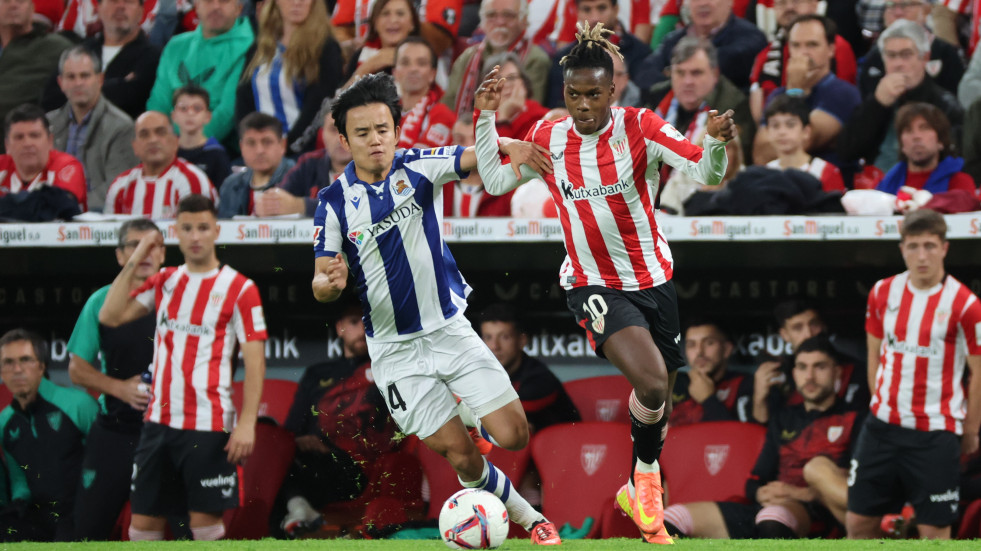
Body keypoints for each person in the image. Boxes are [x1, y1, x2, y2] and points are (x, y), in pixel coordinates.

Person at [473, 21, 736, 544]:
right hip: (591, 281)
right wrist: (485, 120)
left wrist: (716, 143)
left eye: (594, 94)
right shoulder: (548, 135)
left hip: (653, 278)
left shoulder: (641, 126)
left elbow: (706, 174)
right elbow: (497, 180)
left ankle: (636, 486)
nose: (584, 105)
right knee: (654, 380)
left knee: (656, 397)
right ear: (563, 92)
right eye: (574, 94)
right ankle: (646, 481)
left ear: (613, 90)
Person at [311, 72, 562, 545]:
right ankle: (532, 521)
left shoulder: (419, 166)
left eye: (382, 129)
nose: (375, 141)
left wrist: (510, 143)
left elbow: (474, 159)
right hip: (395, 354)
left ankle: (467, 411)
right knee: (464, 458)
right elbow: (323, 279)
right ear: (344, 140)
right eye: (362, 133)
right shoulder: (333, 203)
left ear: (396, 130)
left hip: (449, 331)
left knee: (513, 436)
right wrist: (330, 282)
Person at [99, 194, 268, 542]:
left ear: (216, 230)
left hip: (207, 424)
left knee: (205, 527)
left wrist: (247, 422)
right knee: (142, 528)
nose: (194, 236)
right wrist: (138, 254)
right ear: (175, 231)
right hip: (158, 424)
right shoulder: (166, 280)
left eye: (203, 228)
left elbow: (255, 360)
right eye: (186, 228)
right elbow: (110, 315)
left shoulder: (240, 288)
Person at [847, 209, 981, 540]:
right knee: (859, 523)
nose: (922, 256)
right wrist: (880, 401)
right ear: (902, 248)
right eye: (913, 246)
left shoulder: (966, 305)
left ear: (945, 248)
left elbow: (979, 373)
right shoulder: (882, 292)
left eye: (930, 246)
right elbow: (874, 354)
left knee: (934, 531)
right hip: (882, 427)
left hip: (935, 433)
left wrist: (971, 430)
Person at [662, 336, 862, 539]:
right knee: (673, 517)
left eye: (819, 367)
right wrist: (760, 493)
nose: (809, 376)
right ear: (794, 373)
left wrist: (804, 494)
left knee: (773, 517)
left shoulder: (856, 418)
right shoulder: (784, 417)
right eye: (802, 367)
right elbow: (754, 480)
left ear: (837, 372)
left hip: (817, 514)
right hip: (769, 508)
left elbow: (859, 485)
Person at [273, 298, 410, 538]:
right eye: (355, 321)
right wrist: (301, 442)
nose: (363, 329)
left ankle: (297, 509)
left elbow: (401, 430)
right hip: (310, 463)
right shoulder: (317, 374)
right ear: (340, 328)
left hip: (358, 471)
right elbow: (291, 429)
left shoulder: (390, 370)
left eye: (369, 321)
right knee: (269, 441)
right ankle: (293, 514)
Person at [66, 219, 164, 540]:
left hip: (169, 431)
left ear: (163, 254)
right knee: (88, 528)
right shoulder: (101, 301)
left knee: (181, 529)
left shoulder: (181, 294)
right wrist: (119, 388)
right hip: (116, 430)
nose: (145, 252)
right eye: (135, 245)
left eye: (152, 245)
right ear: (120, 256)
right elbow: (77, 369)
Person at [0, 328, 98, 542]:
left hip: (80, 512)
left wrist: (88, 505)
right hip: (37, 517)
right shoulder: (4, 422)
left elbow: (105, 465)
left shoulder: (79, 405)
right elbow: (19, 481)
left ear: (41, 365)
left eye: (25, 360)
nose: (17, 369)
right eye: (8, 362)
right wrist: (17, 504)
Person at [839, 19, 963, 174]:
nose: (898, 63)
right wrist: (877, 104)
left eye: (906, 55)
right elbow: (846, 151)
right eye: (891, 56)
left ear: (924, 58)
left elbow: (952, 158)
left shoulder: (944, 104)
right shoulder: (876, 95)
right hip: (875, 184)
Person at [752, 15, 861, 168]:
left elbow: (802, 142)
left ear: (830, 49)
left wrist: (795, 90)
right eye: (796, 45)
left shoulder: (843, 93)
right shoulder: (777, 95)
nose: (804, 53)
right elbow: (761, 154)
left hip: (824, 183)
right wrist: (792, 91)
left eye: (812, 45)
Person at [236, 0, 344, 153]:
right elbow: (243, 99)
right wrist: (251, 142)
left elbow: (318, 109)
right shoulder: (260, 47)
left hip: (300, 153)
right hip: (259, 151)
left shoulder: (326, 49)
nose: (297, 2)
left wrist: (285, 149)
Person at [146, 0, 255, 145]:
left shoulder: (252, 48)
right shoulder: (175, 45)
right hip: (167, 145)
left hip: (222, 151)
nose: (216, 6)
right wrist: (160, 140)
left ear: (239, 8)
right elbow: (158, 103)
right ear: (196, 7)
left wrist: (186, 144)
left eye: (225, 1)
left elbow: (227, 113)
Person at [47, 46, 138, 212]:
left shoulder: (121, 127)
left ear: (100, 79)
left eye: (85, 76)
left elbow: (116, 187)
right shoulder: (48, 124)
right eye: (71, 77)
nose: (78, 83)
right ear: (61, 83)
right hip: (50, 215)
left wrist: (71, 208)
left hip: (97, 219)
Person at [753, 299, 869, 424]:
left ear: (823, 326)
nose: (808, 334)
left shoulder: (854, 368)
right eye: (798, 328)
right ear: (784, 335)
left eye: (814, 324)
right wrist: (759, 399)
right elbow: (764, 429)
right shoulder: (779, 371)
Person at [647, 37, 755, 170]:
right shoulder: (656, 98)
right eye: (680, 73)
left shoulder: (732, 106)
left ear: (715, 74)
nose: (687, 81)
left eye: (696, 73)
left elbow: (730, 163)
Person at [42, 0, 161, 120]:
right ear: (98, 8)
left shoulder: (153, 57)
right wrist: (119, 84)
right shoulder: (79, 51)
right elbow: (51, 99)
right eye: (113, 1)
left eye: (128, 1)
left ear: (141, 10)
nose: (120, 6)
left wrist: (75, 90)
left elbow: (134, 99)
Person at [747, 0, 857, 123]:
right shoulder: (764, 55)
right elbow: (759, 116)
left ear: (814, 4)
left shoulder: (837, 46)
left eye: (796, 1)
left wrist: (795, 90)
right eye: (782, 3)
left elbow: (844, 101)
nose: (789, 7)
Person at [477, 304, 581, 432]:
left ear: (522, 340)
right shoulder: (483, 375)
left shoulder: (539, 378)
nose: (494, 346)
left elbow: (507, 418)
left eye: (504, 337)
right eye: (488, 338)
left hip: (563, 448)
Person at [443, 0, 552, 118]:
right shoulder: (467, 57)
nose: (500, 22)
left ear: (524, 20)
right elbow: (448, 106)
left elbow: (529, 113)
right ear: (482, 22)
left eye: (508, 15)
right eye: (491, 15)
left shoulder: (535, 59)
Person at [633, 0, 767, 92]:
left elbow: (730, 64)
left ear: (730, 2)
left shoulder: (751, 37)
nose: (703, 3)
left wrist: (672, 74)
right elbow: (645, 73)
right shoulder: (673, 39)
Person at [104, 111, 217, 217]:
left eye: (160, 132)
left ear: (175, 142)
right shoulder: (120, 186)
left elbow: (197, 235)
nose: (152, 140)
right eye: (144, 134)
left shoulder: (192, 180)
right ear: (135, 147)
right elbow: (109, 234)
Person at [545, 0, 651, 109]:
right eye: (587, 10)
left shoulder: (640, 53)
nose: (595, 18)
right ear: (577, 13)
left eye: (601, 8)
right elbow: (554, 106)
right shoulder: (563, 57)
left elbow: (644, 103)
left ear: (615, 10)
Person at [873, 102, 977, 213]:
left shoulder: (959, 181)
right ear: (902, 144)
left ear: (941, 141)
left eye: (924, 128)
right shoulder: (884, 185)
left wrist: (927, 203)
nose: (916, 136)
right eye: (908, 130)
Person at [0, 0, 72, 150]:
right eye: (6, 0)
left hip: (25, 144)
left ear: (32, 8)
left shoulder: (55, 48)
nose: (13, 4)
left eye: (20, 0)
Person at [259, 104, 351, 217]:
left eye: (347, 129)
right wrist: (267, 204)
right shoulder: (308, 163)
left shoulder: (374, 165)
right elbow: (278, 197)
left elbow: (359, 209)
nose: (340, 138)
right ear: (322, 134)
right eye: (333, 130)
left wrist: (300, 206)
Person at [858, 0, 963, 98]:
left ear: (925, 11)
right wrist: (879, 103)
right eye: (891, 5)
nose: (898, 12)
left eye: (906, 5)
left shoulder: (946, 53)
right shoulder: (874, 56)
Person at [0, 103, 88, 212]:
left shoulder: (67, 166)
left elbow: (57, 207)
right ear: (7, 145)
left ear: (50, 141)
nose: (27, 143)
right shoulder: (2, 166)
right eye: (19, 137)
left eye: (34, 135)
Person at [670, 317, 755, 426]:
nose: (699, 352)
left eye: (709, 343)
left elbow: (741, 438)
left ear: (727, 349)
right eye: (691, 345)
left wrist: (708, 400)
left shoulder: (745, 384)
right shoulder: (671, 384)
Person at [218, 112, 296, 217]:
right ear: (241, 147)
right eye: (251, 143)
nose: (259, 150)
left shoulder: (301, 180)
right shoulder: (230, 186)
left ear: (282, 145)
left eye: (267, 142)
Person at [763, 94, 846, 192]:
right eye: (775, 125)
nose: (782, 132)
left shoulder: (825, 171)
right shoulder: (764, 174)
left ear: (806, 131)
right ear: (767, 131)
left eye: (790, 125)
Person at [442, 118, 514, 217]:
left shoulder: (507, 188)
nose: (468, 146)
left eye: (477, 140)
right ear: (452, 146)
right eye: (461, 140)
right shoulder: (438, 187)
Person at [393, 36, 456, 150]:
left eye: (421, 63)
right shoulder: (385, 112)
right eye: (405, 63)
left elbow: (423, 161)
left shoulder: (442, 114)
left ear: (432, 74)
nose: (413, 69)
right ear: (395, 73)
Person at [342, 0, 419, 88]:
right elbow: (338, 100)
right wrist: (367, 68)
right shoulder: (359, 55)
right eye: (385, 14)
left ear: (412, 23)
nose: (393, 20)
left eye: (400, 14)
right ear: (375, 23)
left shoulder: (423, 57)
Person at [172, 85, 232, 189]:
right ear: (174, 116)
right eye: (183, 108)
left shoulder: (217, 155)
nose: (190, 113)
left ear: (207, 116)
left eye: (197, 108)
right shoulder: (168, 152)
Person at [484, 53, 549, 140]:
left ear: (524, 83)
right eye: (498, 79)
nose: (505, 84)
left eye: (511, 78)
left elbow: (499, 153)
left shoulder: (540, 119)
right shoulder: (482, 119)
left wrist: (503, 119)